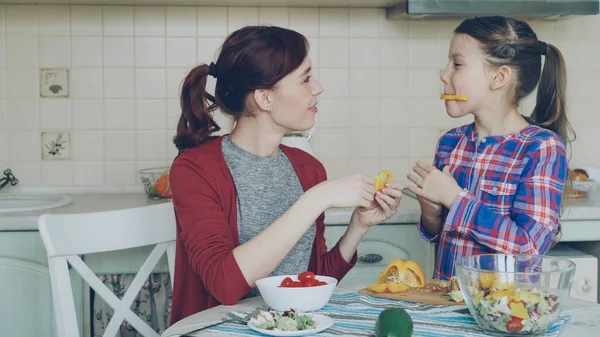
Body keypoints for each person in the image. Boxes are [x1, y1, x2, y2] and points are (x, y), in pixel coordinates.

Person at [169, 25, 404, 323]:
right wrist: (316, 199)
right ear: (265, 99)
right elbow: (223, 284)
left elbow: (313, 280)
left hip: (294, 327)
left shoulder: (308, 168)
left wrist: (357, 227)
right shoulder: (195, 170)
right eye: (305, 79)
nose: (318, 88)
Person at [407, 16, 574, 280]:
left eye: (457, 64)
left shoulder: (541, 148)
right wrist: (431, 212)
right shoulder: (450, 142)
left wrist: (454, 198)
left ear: (499, 77)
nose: (444, 75)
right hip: (447, 307)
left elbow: (529, 247)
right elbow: (439, 234)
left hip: (505, 313)